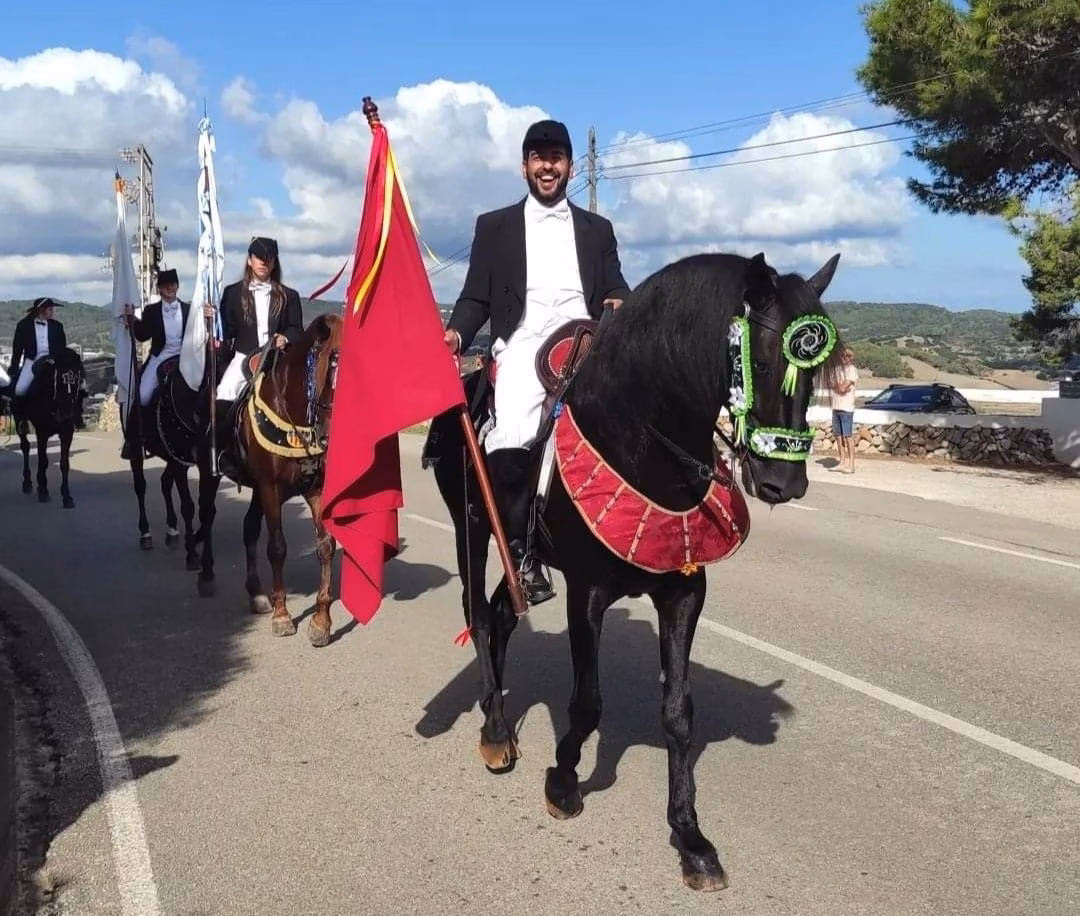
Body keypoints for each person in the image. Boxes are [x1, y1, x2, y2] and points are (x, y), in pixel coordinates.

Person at [443, 119, 632, 605]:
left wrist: (617, 305)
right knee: (512, 427)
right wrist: (457, 334)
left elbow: (614, 288)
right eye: (538, 157)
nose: (548, 166)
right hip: (525, 344)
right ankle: (524, 553)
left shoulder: (598, 229)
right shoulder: (494, 226)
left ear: (570, 166)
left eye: (557, 158)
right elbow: (474, 299)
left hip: (587, 341)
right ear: (524, 166)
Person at [204, 236, 304, 472]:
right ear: (249, 260)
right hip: (243, 359)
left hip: (276, 361)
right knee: (223, 396)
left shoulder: (289, 295)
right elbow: (225, 330)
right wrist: (211, 318)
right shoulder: (232, 293)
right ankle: (224, 454)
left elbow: (296, 329)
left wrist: (286, 337)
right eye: (259, 258)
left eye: (269, 259)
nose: (264, 263)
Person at [5, 296, 86, 430]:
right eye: (50, 309)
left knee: (76, 385)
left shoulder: (57, 326)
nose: (52, 312)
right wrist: (13, 369)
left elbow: (62, 348)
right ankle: (22, 421)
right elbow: (17, 350)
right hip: (32, 361)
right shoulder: (23, 326)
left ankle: (76, 416)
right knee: (19, 389)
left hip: (54, 361)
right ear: (41, 310)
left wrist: (59, 360)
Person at [124, 268, 192, 408]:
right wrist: (133, 320)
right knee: (143, 395)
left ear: (177, 286)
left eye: (172, 284)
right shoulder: (151, 311)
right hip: (160, 356)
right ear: (159, 288)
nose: (169, 288)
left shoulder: (189, 310)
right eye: (165, 285)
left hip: (186, 357)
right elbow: (142, 335)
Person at [828, 346, 860, 473]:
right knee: (838, 436)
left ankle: (851, 464)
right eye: (843, 356)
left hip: (846, 407)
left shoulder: (852, 370)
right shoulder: (835, 370)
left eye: (848, 356)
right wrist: (840, 386)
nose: (844, 358)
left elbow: (841, 388)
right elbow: (833, 385)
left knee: (848, 436)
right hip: (836, 406)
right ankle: (842, 462)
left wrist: (839, 386)